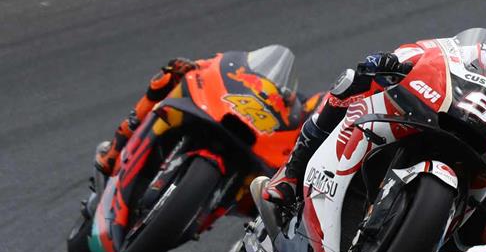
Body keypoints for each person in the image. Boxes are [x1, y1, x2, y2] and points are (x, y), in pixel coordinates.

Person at [263, 23, 486, 252]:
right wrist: (395, 61)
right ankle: (291, 173)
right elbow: (438, 51)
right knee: (353, 81)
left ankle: (419, 239)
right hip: (444, 118)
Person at [94, 55, 324, 181]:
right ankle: (115, 150)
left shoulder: (309, 109)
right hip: (228, 118)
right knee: (170, 75)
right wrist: (196, 67)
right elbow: (216, 66)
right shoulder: (262, 83)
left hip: (264, 163)